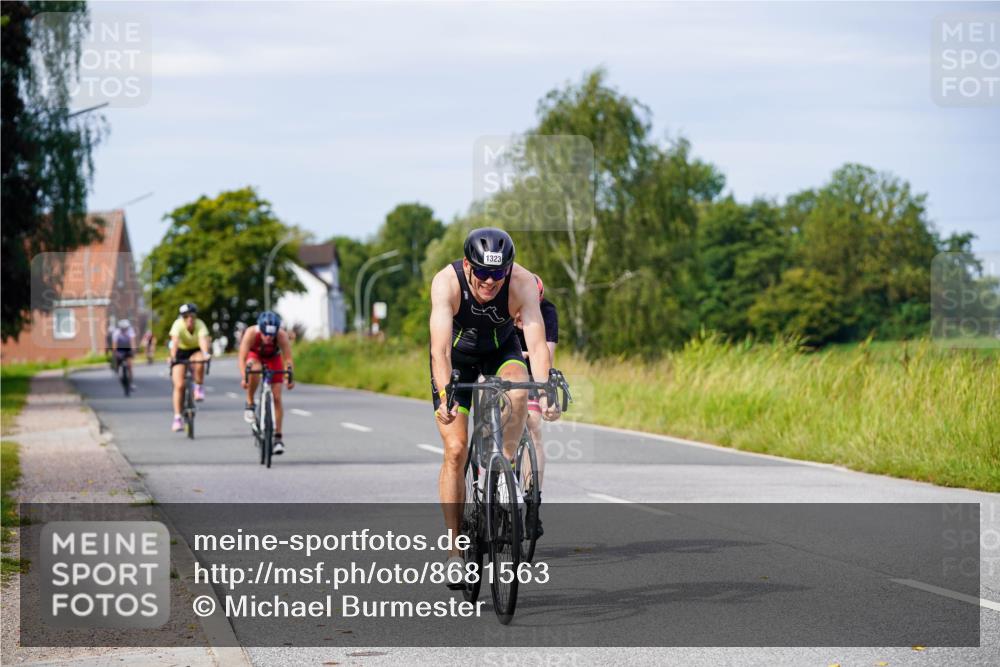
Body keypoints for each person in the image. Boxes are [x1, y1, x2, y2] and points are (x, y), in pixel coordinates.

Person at [429, 227, 561, 584]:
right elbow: (439, 350)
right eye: (483, 273)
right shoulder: (447, 283)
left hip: (500, 352)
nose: (490, 281)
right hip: (457, 362)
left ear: (509, 268)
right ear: (469, 266)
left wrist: (546, 392)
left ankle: (501, 472)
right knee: (456, 450)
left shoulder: (521, 284)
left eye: (498, 273)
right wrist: (445, 398)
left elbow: (535, 344)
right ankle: (455, 550)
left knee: (519, 391)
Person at [513, 274, 558, 537]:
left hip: (531, 373)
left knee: (533, 426)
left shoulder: (546, 311)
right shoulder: (500, 304)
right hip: (498, 372)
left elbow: (545, 355)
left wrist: (544, 394)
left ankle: (533, 500)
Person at [238, 311, 295, 455]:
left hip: (272, 358)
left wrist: (289, 378)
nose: (269, 338)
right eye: (265, 334)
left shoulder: (281, 335)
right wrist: (244, 377)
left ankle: (278, 438)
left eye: (272, 335)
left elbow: (288, 359)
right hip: (254, 356)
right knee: (254, 369)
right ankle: (250, 402)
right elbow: (242, 358)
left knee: (276, 397)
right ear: (260, 329)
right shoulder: (251, 333)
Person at [168, 303, 212, 432]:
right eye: (186, 316)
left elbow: (203, 340)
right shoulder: (177, 325)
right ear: (182, 317)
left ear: (195, 316)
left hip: (195, 350)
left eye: (191, 315)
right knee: (179, 385)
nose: (189, 319)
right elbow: (174, 341)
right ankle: (177, 418)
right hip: (180, 352)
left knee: (199, 361)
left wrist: (205, 354)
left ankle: (198, 386)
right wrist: (173, 356)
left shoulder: (200, 324)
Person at [112, 319, 138, 387]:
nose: (124, 330)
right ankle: (117, 370)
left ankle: (131, 382)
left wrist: (134, 350)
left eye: (126, 328)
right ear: (120, 328)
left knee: (130, 365)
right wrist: (115, 352)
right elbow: (114, 344)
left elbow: (133, 341)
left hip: (128, 349)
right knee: (117, 359)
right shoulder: (116, 332)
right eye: (123, 328)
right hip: (120, 349)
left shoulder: (130, 331)